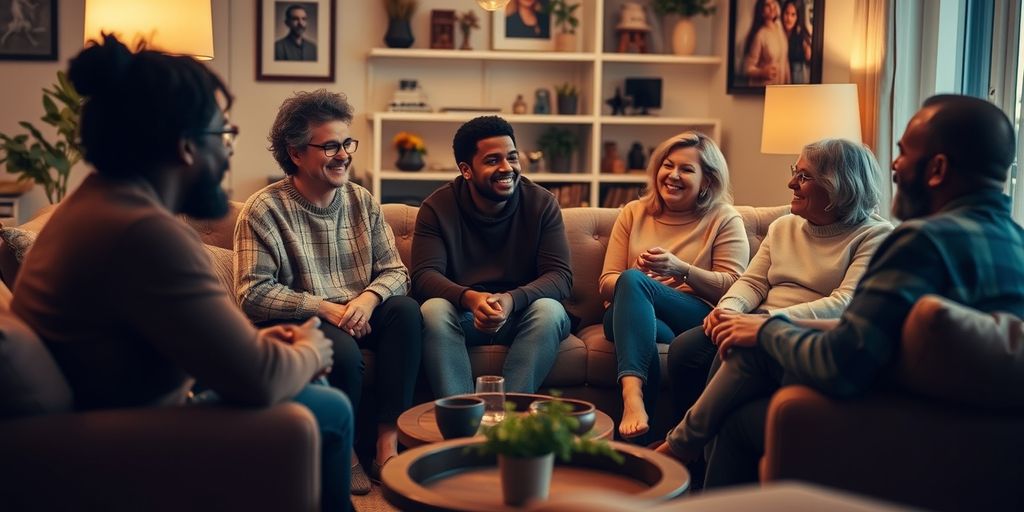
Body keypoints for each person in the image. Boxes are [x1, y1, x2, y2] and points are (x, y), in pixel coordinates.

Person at [10, 35, 352, 512]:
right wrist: (312, 351)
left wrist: (267, 347)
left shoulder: (96, 206)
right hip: (123, 437)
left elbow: (178, 343)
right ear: (187, 147)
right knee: (329, 407)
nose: (228, 155)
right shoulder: (142, 232)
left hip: (120, 414)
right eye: (224, 137)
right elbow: (258, 379)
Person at [657, 95, 1024, 487]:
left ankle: (679, 455)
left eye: (902, 153)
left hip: (907, 421)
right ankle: (685, 451)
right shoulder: (1016, 242)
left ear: (937, 169)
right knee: (737, 403)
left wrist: (765, 329)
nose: (895, 167)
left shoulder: (920, 243)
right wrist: (748, 318)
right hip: (987, 440)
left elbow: (846, 360)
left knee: (746, 364)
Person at [234, 89, 421, 490]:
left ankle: (387, 442)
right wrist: (325, 308)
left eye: (347, 143)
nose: (344, 155)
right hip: (309, 316)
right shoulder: (264, 209)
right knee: (345, 352)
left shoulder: (361, 200)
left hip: (361, 309)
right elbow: (252, 292)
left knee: (406, 311)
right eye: (330, 146)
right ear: (296, 153)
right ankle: (347, 449)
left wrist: (367, 301)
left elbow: (396, 272)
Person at [667, 138, 892, 458]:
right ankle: (689, 461)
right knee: (685, 349)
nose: (791, 183)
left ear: (838, 186)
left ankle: (691, 449)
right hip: (757, 319)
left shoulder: (874, 236)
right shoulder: (784, 226)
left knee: (731, 352)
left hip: (798, 330)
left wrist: (766, 323)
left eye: (804, 176)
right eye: (795, 172)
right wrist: (728, 309)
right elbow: (753, 282)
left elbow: (844, 302)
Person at [600, 132, 749, 439]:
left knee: (635, 292)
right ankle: (639, 421)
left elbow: (734, 286)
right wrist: (637, 281)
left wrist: (681, 270)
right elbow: (606, 283)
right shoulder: (633, 212)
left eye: (686, 169)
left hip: (691, 316)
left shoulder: (723, 218)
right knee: (636, 300)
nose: (673, 175)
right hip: (629, 312)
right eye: (668, 166)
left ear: (707, 180)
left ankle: (632, 399)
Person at [413, 115, 572, 397]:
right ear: (466, 170)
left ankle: (506, 422)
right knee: (432, 310)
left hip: (523, 314)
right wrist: (470, 298)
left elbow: (560, 276)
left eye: (512, 157)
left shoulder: (542, 203)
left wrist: (512, 299)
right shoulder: (437, 207)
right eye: (492, 160)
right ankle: (463, 420)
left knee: (550, 311)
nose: (507, 168)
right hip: (464, 314)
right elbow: (424, 276)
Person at [742, 0, 790, 86]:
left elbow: (785, 60)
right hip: (766, 89)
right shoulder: (760, 36)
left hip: (782, 91)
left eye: (773, 2)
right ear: (762, 12)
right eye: (767, 5)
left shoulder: (780, 28)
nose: (772, 7)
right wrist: (762, 72)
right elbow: (747, 68)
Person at [781, 0, 812, 84]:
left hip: (797, 80)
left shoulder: (801, 35)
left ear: (797, 17)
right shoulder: (777, 33)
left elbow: (809, 58)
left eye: (793, 15)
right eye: (786, 13)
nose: (789, 18)